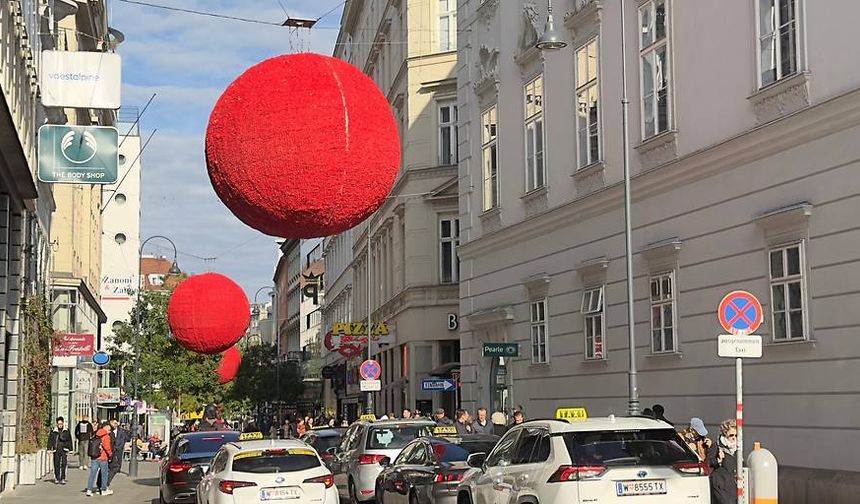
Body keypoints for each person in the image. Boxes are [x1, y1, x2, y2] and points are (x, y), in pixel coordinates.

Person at [708, 419, 738, 504]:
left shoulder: (737, 448)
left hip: (732, 484)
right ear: (725, 434)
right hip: (720, 484)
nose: (734, 438)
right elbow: (709, 462)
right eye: (731, 435)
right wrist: (718, 460)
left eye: (736, 435)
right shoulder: (717, 446)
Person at [86, 421, 113, 496]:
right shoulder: (106, 436)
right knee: (104, 474)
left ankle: (89, 489)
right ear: (106, 427)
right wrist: (110, 455)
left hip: (94, 456)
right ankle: (103, 489)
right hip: (103, 457)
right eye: (109, 429)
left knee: (92, 474)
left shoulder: (96, 433)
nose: (109, 431)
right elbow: (107, 447)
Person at [47, 416, 72, 484]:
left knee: (64, 463)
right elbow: (50, 440)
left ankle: (63, 478)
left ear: (63, 423)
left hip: (64, 448)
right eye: (58, 424)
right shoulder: (54, 431)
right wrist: (49, 449)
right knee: (56, 463)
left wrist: (70, 449)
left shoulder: (66, 430)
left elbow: (69, 440)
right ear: (56, 424)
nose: (60, 425)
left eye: (61, 424)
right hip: (56, 449)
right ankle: (57, 477)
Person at [107, 419, 130, 486]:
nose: (115, 424)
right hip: (112, 448)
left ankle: (118, 469)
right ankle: (111, 468)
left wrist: (120, 446)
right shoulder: (109, 431)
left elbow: (124, 438)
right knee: (112, 459)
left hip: (119, 447)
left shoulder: (121, 431)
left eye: (116, 423)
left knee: (119, 458)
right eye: (114, 423)